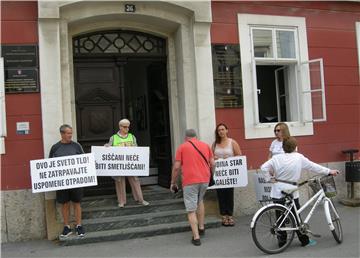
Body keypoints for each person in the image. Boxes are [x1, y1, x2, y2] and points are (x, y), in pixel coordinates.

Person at [260, 136, 339, 247]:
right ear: (295, 147)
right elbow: (313, 166)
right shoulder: (299, 157)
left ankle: (281, 241)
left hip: (277, 191)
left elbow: (263, 167)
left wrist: (269, 178)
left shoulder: (276, 158)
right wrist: (329, 171)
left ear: (283, 147)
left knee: (280, 216)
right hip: (291, 190)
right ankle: (304, 240)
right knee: (296, 216)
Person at [170, 129, 214, 246]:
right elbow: (213, 163)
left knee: (191, 209)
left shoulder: (182, 147)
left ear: (186, 137)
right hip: (204, 179)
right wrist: (211, 175)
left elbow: (176, 167)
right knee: (200, 201)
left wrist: (173, 182)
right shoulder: (205, 146)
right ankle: (201, 227)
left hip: (190, 181)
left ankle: (196, 237)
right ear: (196, 136)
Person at [49, 124, 85, 238]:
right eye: (68, 133)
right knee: (64, 203)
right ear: (62, 134)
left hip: (76, 180)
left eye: (71, 133)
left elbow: (84, 160)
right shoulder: (55, 147)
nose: (70, 135)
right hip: (62, 182)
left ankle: (79, 225)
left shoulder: (77, 146)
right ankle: (66, 227)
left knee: (77, 202)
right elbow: (50, 164)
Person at [107, 119, 149, 208]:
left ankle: (140, 199)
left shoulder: (132, 136)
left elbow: (137, 149)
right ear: (120, 127)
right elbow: (108, 149)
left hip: (131, 163)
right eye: (125, 127)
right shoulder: (113, 137)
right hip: (119, 165)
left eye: (128, 127)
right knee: (119, 182)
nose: (127, 129)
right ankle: (121, 201)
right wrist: (106, 147)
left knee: (135, 180)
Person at [212, 123, 242, 227]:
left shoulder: (232, 142)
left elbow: (239, 155)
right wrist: (215, 158)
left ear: (227, 130)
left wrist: (229, 158)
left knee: (229, 193)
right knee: (220, 194)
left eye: (223, 129)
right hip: (219, 173)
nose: (221, 131)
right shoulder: (215, 144)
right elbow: (210, 157)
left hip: (230, 173)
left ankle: (230, 215)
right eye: (219, 130)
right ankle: (223, 216)